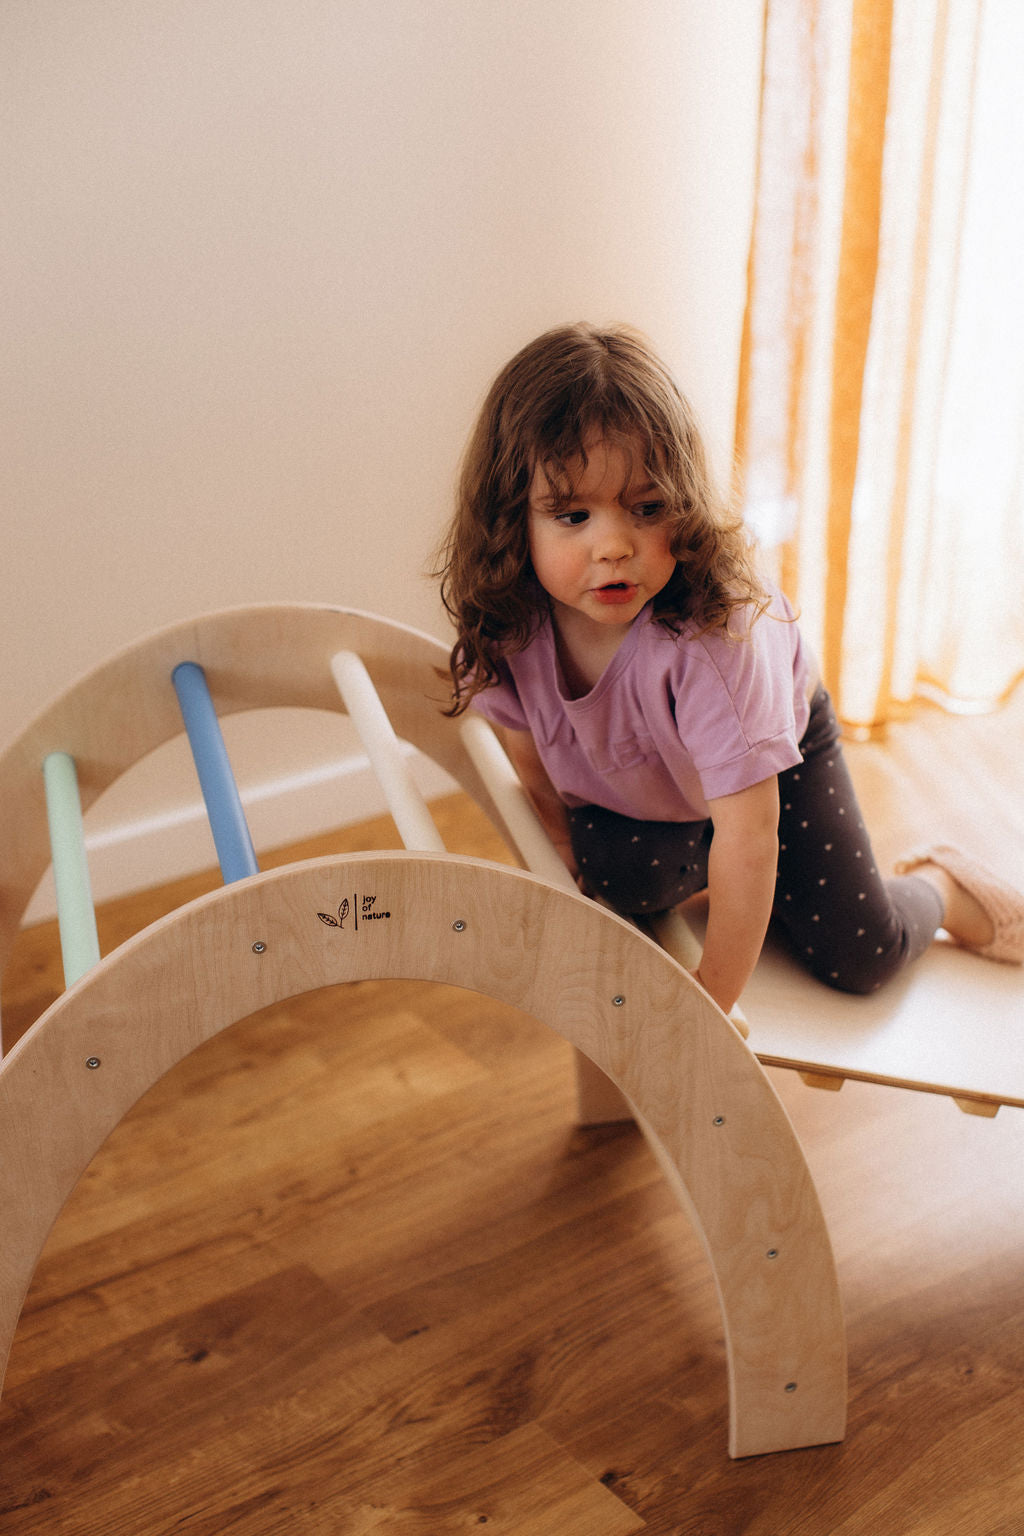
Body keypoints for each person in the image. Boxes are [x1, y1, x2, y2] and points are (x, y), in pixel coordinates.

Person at [434, 322, 1024, 1016]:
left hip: (777, 759)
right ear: (514, 521)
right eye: (572, 516)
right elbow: (526, 751)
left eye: (645, 509)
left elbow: (750, 836)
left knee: (861, 951)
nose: (615, 545)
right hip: (663, 787)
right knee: (615, 874)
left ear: (681, 504)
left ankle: (945, 885)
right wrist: (562, 845)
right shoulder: (515, 618)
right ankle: (726, 868)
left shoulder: (713, 643)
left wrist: (710, 1001)